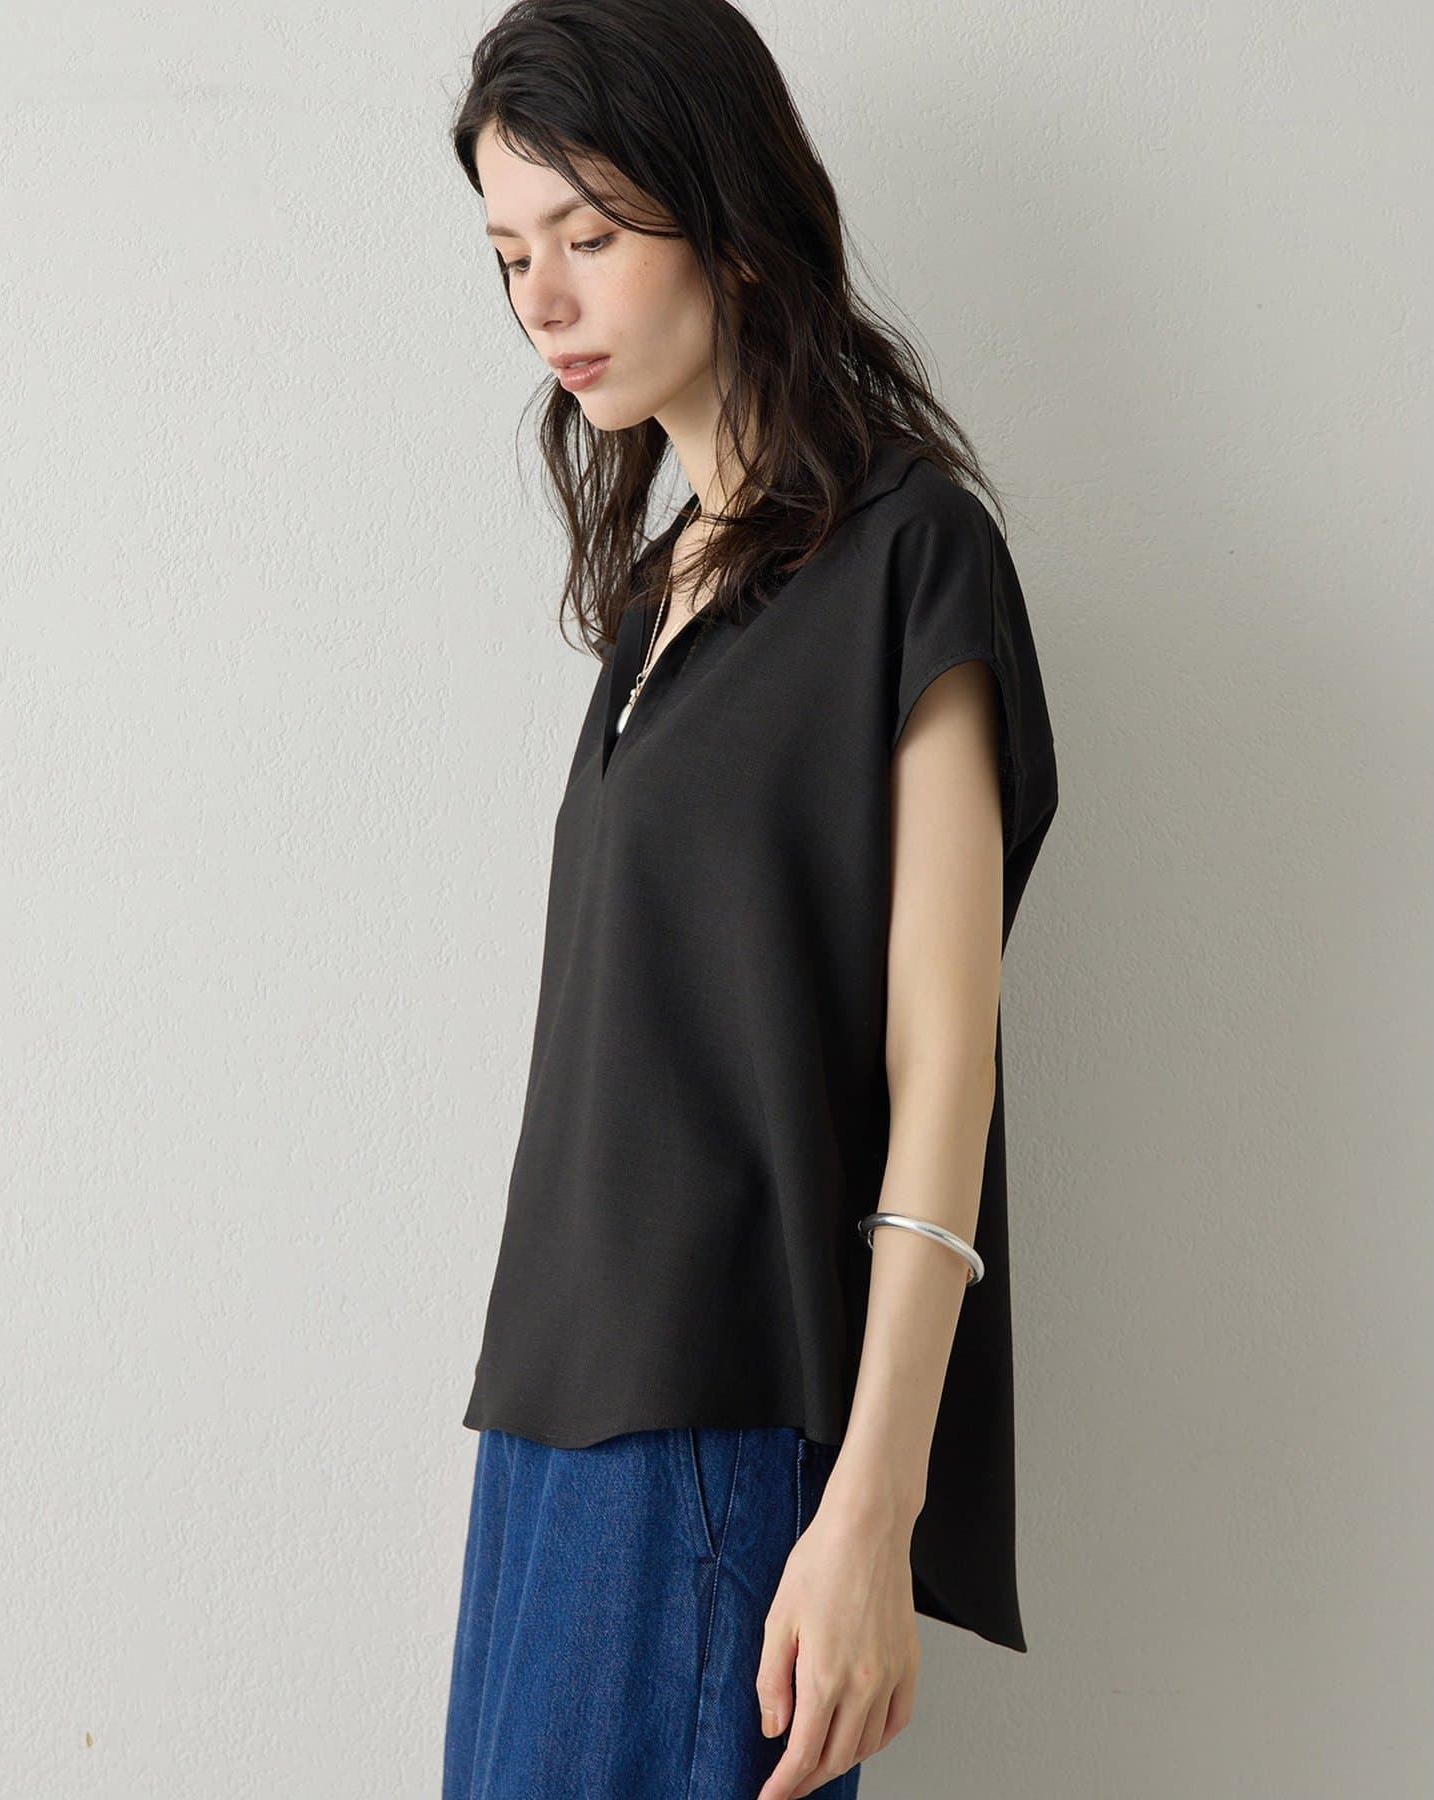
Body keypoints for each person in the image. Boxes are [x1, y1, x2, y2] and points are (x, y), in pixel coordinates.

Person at [442, 3, 1060, 1795]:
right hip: (550, 1427)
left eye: (588, 235)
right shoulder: (656, 598)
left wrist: (872, 1505)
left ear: (729, 215)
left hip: (721, 1424)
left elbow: (946, 1064)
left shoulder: (911, 554)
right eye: (509, 256)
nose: (543, 300)